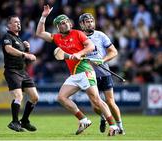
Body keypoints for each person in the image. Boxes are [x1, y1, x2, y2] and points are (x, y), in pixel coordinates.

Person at [36, 5, 119, 136]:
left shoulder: (78, 33)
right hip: (75, 74)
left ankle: (113, 125)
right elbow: (39, 33)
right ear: (58, 27)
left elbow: (91, 46)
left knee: (97, 100)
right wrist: (43, 17)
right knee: (61, 97)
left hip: (86, 71)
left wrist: (79, 54)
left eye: (67, 22)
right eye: (62, 23)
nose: (65, 24)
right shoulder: (57, 38)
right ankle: (83, 119)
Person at [78, 13, 125, 134]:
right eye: (87, 22)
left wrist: (102, 60)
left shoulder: (100, 35)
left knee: (110, 101)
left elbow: (114, 52)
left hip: (104, 73)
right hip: (89, 74)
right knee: (95, 106)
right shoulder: (78, 37)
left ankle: (120, 126)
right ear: (81, 24)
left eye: (92, 21)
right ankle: (103, 116)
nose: (90, 23)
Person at [1, 15, 39, 132]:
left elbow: (24, 58)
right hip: (12, 71)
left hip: (23, 72)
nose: (18, 24)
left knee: (34, 97)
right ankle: (14, 122)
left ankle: (25, 121)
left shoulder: (20, 40)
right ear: (9, 25)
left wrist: (27, 49)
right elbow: (9, 49)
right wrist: (25, 54)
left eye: (19, 22)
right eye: (15, 22)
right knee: (19, 96)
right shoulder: (7, 36)